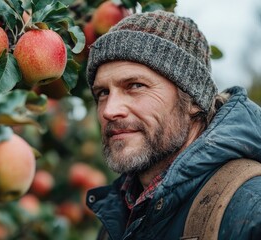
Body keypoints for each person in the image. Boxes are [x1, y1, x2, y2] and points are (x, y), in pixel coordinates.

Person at [85, 10, 261, 240]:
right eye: (103, 93)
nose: (109, 110)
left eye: (135, 86)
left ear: (193, 101)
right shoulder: (117, 219)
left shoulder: (250, 211)